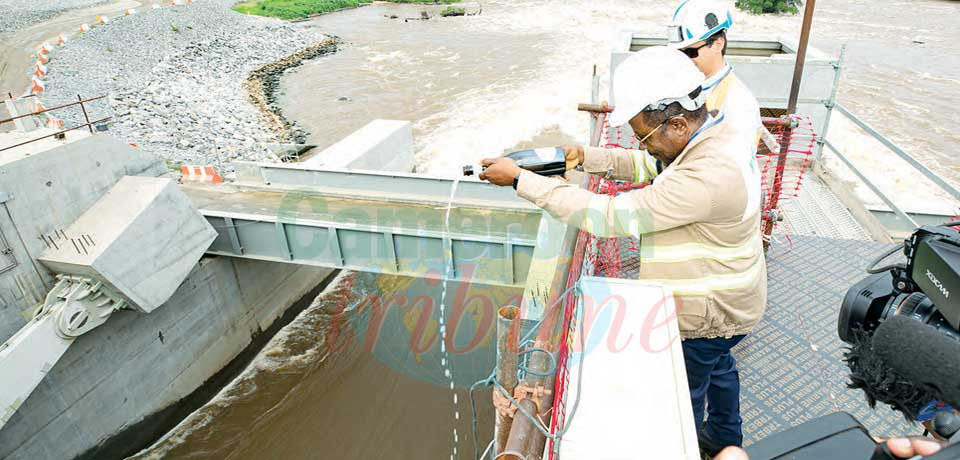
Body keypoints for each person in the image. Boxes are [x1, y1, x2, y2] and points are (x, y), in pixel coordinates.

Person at [479, 46, 766, 457]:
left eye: (644, 136)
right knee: (719, 365)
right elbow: (649, 165)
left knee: (684, 394)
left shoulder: (707, 176)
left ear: (678, 123)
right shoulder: (713, 134)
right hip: (732, 302)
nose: (642, 145)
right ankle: (724, 435)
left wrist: (522, 181)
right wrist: (580, 158)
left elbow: (608, 217)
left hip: (707, 313)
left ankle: (690, 447)